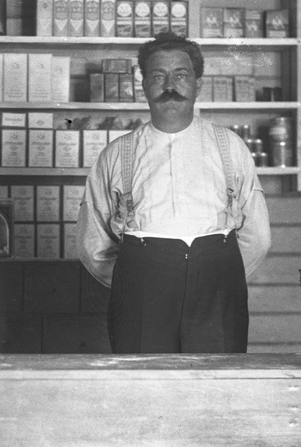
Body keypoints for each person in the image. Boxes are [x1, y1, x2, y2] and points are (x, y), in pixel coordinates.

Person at [77, 32, 271, 354]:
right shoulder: (116, 154)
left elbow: (258, 236)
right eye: (158, 76)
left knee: (218, 377)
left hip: (217, 289)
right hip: (142, 291)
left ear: (198, 84)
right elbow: (93, 243)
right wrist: (133, 277)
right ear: (143, 85)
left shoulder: (230, 146)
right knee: (144, 379)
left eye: (181, 75)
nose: (170, 85)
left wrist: (222, 273)